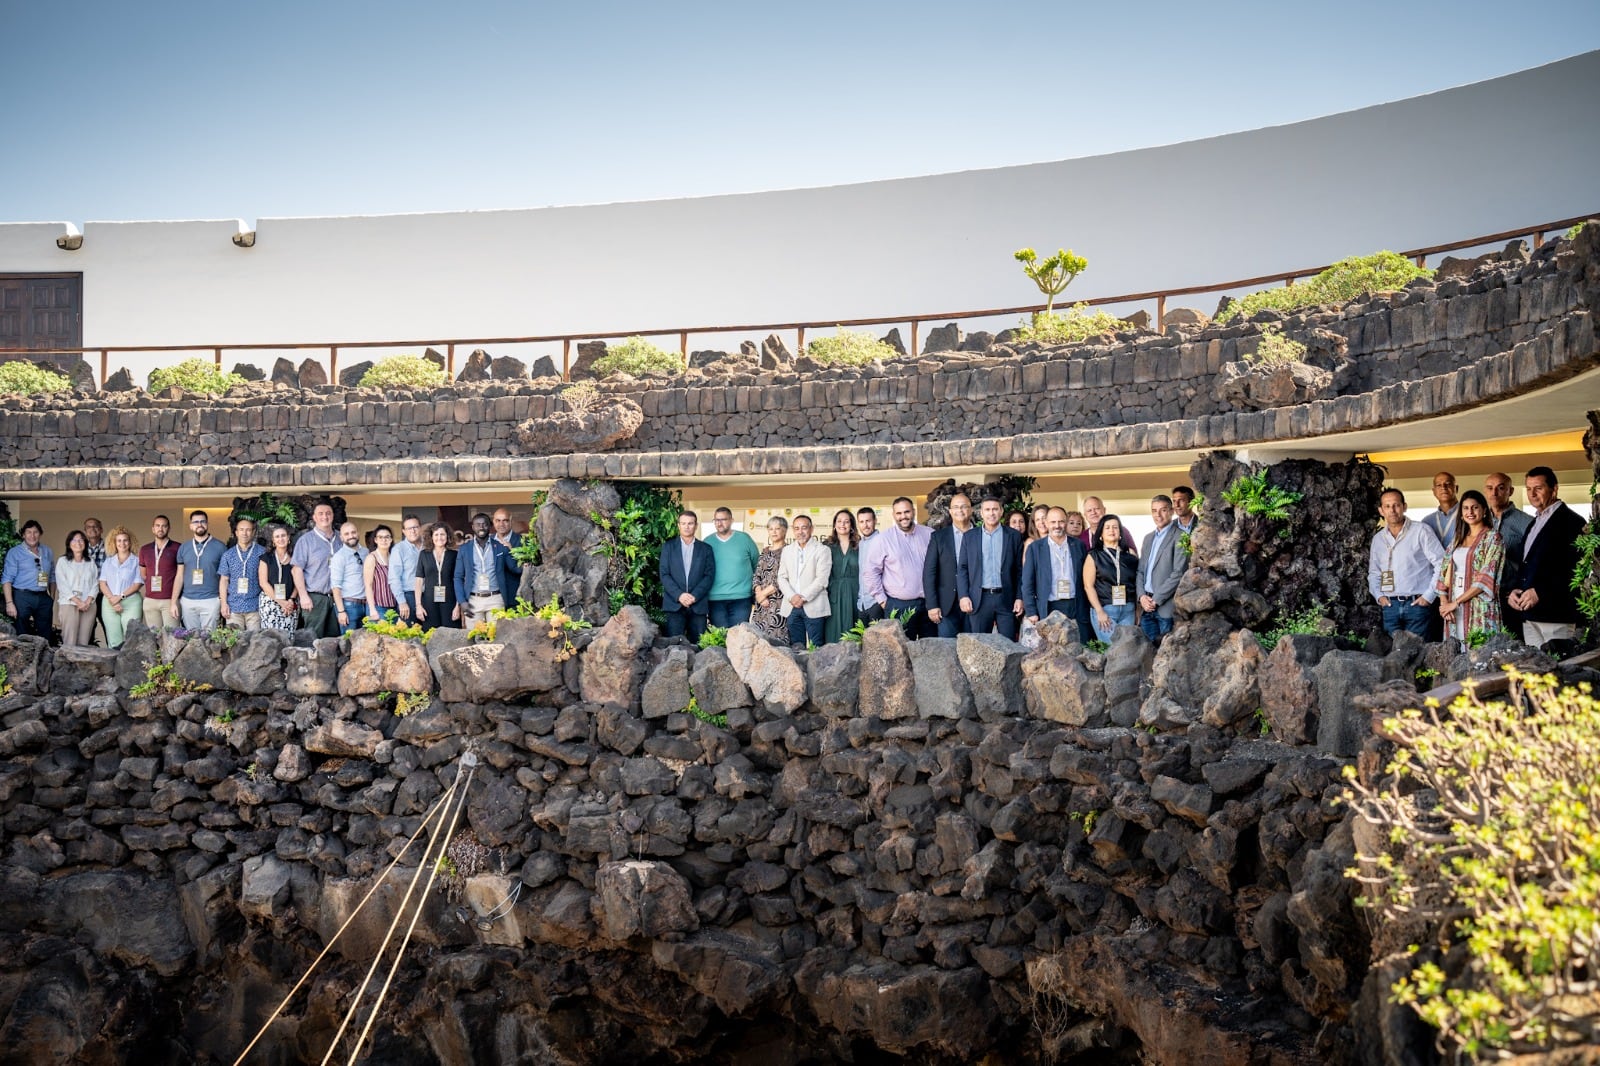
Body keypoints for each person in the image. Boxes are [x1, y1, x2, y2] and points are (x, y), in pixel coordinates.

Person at [1506, 466, 1587, 647]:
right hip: (1529, 615)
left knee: (1561, 671)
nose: (1532, 494)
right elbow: (1526, 565)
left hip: (1557, 615)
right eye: (1528, 489)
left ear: (1554, 489)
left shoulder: (1573, 522)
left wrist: (1541, 592)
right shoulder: (1533, 523)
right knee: (1534, 673)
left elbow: (1575, 570)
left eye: (1538, 488)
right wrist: (1514, 591)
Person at [1433, 490, 1505, 651]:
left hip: (1478, 604)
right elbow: (1443, 573)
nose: (1470, 512)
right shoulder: (1457, 540)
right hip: (1453, 600)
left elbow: (1485, 578)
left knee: (1479, 652)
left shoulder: (1493, 538)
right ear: (1461, 513)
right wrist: (1445, 604)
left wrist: (1455, 603)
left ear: (1484, 510)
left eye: (1474, 508)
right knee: (1456, 652)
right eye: (1465, 508)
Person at [1368, 488, 1445, 637]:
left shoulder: (1421, 531)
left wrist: (1428, 596)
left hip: (1417, 605)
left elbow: (1442, 564)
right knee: (1392, 655)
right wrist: (1379, 597)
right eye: (1387, 506)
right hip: (1389, 607)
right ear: (1381, 510)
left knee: (1419, 654)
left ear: (1404, 506)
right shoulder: (1378, 539)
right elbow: (1374, 572)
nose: (1392, 510)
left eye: (1396, 505)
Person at [860, 497, 933, 638]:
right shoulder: (883, 539)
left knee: (930, 652)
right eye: (898, 513)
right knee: (901, 653)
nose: (903, 516)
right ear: (893, 515)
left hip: (929, 605)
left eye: (907, 512)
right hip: (898, 605)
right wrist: (883, 601)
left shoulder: (930, 534)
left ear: (914, 512)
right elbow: (870, 572)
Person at [1021, 507, 1091, 642]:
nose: (1057, 526)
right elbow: (1027, 582)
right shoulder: (1035, 548)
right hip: (1049, 606)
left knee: (1078, 647)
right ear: (1046, 523)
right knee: (1052, 651)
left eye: (1061, 522)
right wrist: (1031, 611)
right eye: (1053, 522)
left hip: (1075, 604)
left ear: (1065, 522)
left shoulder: (1078, 545)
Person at [958, 497, 1024, 638]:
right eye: (987, 510)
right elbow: (963, 568)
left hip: (1006, 599)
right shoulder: (969, 537)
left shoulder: (1014, 536)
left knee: (1009, 645)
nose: (991, 513)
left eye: (995, 509)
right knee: (980, 645)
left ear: (1001, 512)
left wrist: (1019, 597)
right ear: (981, 513)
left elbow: (1019, 571)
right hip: (980, 599)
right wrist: (963, 596)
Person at [1484, 472, 1534, 632]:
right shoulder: (1480, 520)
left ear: (1510, 491)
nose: (1494, 493)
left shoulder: (1526, 522)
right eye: (1490, 488)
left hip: (1514, 596)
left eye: (1500, 488)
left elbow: (1534, 558)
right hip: (1485, 597)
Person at [456, 512, 521, 626]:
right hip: (473, 600)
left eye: (484, 524)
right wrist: (462, 602)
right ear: (472, 527)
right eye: (478, 524)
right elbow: (458, 577)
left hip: (495, 599)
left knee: (496, 638)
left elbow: (514, 568)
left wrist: (527, 564)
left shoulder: (500, 547)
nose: (481, 527)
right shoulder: (464, 549)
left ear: (490, 526)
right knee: (475, 638)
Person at [659, 510, 715, 641]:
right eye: (683, 523)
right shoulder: (668, 547)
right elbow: (664, 574)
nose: (687, 526)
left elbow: (709, 576)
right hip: (674, 605)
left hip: (698, 605)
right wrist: (680, 595)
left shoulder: (706, 549)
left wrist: (694, 596)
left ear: (696, 525)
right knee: (673, 647)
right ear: (678, 525)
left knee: (699, 647)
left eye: (690, 523)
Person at [924, 493, 974, 637]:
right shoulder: (938, 537)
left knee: (973, 649)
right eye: (956, 507)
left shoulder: (980, 534)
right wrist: (932, 605)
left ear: (970, 510)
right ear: (950, 512)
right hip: (946, 605)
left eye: (964, 506)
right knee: (947, 650)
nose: (960, 510)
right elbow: (929, 573)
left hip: (975, 602)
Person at [1084, 514, 1140, 642]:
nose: (1111, 530)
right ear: (1101, 534)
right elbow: (1088, 586)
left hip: (1128, 609)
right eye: (1107, 528)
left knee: (1126, 650)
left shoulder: (1130, 554)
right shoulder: (1094, 555)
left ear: (1120, 532)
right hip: (1105, 609)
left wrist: (1138, 609)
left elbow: (1137, 583)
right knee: (1111, 650)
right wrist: (1099, 612)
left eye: (1115, 527)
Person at [779, 514, 832, 647]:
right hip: (791, 606)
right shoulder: (787, 551)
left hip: (813, 604)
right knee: (796, 647)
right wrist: (792, 597)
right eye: (796, 528)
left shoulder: (822, 550)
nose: (800, 532)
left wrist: (803, 597)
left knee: (817, 648)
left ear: (811, 529)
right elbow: (781, 577)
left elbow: (822, 579)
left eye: (804, 528)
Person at [1136, 495, 1184, 644]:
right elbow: (1140, 571)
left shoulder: (1181, 536)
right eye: (1154, 511)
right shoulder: (1148, 538)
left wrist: (1156, 599)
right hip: (1146, 607)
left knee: (1167, 656)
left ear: (1171, 511)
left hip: (1165, 608)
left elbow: (1179, 573)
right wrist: (1142, 597)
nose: (1158, 515)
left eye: (1163, 510)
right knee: (1147, 655)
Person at [705, 507, 760, 628]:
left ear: (731, 520)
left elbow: (756, 564)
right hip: (715, 598)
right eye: (716, 520)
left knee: (738, 637)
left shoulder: (745, 539)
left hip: (741, 597)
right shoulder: (707, 542)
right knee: (720, 638)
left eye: (723, 519)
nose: (719, 523)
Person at [172, 510, 226, 633]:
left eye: (202, 521)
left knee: (210, 638)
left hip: (211, 599)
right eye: (195, 522)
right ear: (191, 526)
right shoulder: (184, 548)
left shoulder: (220, 547)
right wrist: (174, 601)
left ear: (207, 524)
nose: (199, 524)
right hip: (188, 600)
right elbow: (179, 576)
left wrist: (223, 601)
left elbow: (225, 577)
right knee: (192, 639)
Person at [293, 503, 342, 638]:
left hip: (338, 598)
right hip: (315, 598)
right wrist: (303, 596)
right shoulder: (305, 540)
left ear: (332, 516)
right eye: (320, 513)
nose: (325, 516)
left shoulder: (341, 538)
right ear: (314, 517)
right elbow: (297, 570)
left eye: (328, 513)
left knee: (335, 640)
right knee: (313, 639)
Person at [4, 520, 54, 639]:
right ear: (23, 535)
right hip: (22, 596)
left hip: (43, 596)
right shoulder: (15, 552)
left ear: (40, 534)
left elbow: (52, 576)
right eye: (29, 532)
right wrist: (9, 603)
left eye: (35, 532)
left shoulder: (47, 551)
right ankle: (22, 658)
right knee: (22, 633)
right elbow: (7, 579)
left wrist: (51, 598)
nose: (32, 535)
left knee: (45, 633)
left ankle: (43, 657)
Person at [98, 526, 143, 648]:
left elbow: (137, 584)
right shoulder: (108, 562)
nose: (122, 543)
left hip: (131, 602)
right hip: (109, 602)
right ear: (114, 543)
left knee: (132, 639)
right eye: (119, 540)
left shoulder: (137, 561)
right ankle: (114, 666)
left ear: (130, 542)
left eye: (125, 540)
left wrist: (120, 597)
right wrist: (112, 599)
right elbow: (102, 583)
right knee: (113, 640)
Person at [217, 517, 266, 630]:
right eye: (241, 529)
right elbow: (224, 580)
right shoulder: (228, 554)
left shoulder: (262, 552)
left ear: (253, 532)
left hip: (255, 606)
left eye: (248, 530)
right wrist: (224, 604)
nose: (245, 533)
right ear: (236, 532)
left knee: (255, 642)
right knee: (235, 643)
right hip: (233, 607)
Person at [823, 510, 861, 644]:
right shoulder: (826, 546)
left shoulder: (860, 545)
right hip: (834, 594)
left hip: (855, 592)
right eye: (839, 521)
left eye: (846, 521)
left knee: (855, 628)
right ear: (834, 525)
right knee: (833, 630)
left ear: (851, 525)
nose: (842, 524)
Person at [55, 530, 99, 647]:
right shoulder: (63, 562)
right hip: (69, 603)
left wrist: (88, 601)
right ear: (69, 543)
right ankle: (67, 665)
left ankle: (81, 665)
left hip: (88, 605)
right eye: (74, 540)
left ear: (85, 543)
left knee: (84, 641)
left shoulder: (90, 562)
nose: (78, 543)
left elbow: (95, 583)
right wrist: (78, 602)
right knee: (69, 640)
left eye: (81, 540)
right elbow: (62, 585)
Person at [415, 522, 461, 631]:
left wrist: (457, 606)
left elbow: (459, 580)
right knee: (430, 635)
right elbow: (419, 581)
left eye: (442, 534)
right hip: (429, 602)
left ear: (447, 536)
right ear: (431, 537)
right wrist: (418, 605)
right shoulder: (424, 554)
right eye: (436, 535)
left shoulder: (454, 555)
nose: (439, 538)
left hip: (450, 602)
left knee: (450, 634)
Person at [750, 516, 789, 642]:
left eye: (778, 528)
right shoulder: (765, 551)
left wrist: (763, 594)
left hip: (778, 601)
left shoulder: (789, 551)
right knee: (759, 640)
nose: (774, 532)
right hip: (761, 604)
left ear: (785, 530)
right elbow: (757, 574)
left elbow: (784, 577)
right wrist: (758, 593)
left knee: (777, 640)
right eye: (771, 529)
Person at [138, 514, 180, 631]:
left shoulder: (178, 548)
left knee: (172, 637)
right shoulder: (144, 549)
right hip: (150, 600)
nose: (160, 529)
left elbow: (180, 574)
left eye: (164, 526)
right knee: (154, 637)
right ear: (153, 528)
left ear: (169, 528)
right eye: (157, 526)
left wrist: (175, 600)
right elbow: (143, 574)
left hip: (170, 600)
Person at [257, 524, 301, 633]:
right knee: (270, 639)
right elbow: (263, 583)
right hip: (270, 602)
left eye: (283, 536)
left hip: (290, 604)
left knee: (288, 637)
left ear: (288, 538)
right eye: (277, 537)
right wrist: (281, 602)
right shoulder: (266, 558)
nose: (280, 539)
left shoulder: (295, 557)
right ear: (273, 541)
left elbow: (298, 582)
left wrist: (290, 600)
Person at [329, 522, 370, 634]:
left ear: (358, 533)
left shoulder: (366, 552)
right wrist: (341, 611)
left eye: (353, 532)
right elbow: (335, 587)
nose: (351, 536)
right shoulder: (339, 557)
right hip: (349, 606)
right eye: (346, 534)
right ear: (341, 537)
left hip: (367, 605)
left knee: (366, 642)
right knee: (348, 643)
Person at [390, 515, 425, 623]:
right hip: (409, 597)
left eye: (415, 527)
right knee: (409, 636)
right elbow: (394, 578)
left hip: (428, 596)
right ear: (404, 531)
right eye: (409, 528)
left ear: (420, 528)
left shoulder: (428, 546)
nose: (413, 531)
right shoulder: (399, 549)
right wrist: (402, 602)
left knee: (429, 633)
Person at [364, 525, 400, 625]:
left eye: (387, 537)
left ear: (391, 539)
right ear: (375, 540)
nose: (384, 540)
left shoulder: (394, 557)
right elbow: (368, 585)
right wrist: (372, 609)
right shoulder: (371, 558)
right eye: (380, 537)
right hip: (378, 607)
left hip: (394, 606)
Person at [855, 507, 883, 621]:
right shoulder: (860, 544)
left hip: (877, 602)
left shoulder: (882, 541)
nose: (865, 525)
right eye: (861, 522)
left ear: (875, 521)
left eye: (868, 521)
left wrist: (882, 600)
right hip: (861, 604)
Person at [1420, 471, 1459, 546]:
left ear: (1456, 488)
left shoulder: (1468, 515)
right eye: (1438, 485)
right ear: (1434, 491)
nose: (1443, 488)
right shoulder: (1427, 522)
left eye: (1448, 484)